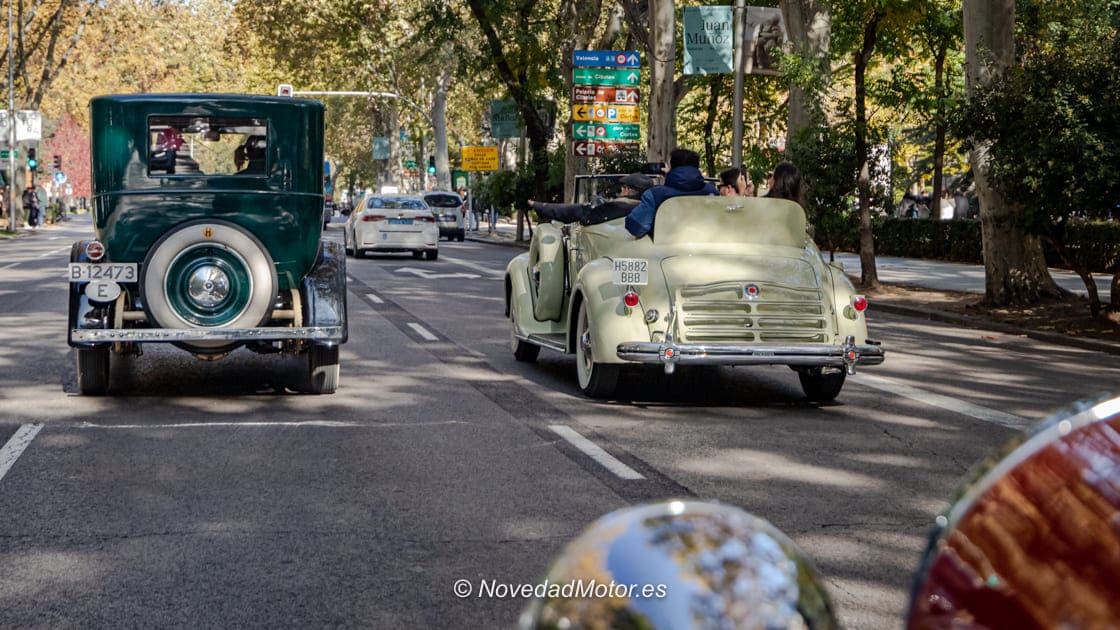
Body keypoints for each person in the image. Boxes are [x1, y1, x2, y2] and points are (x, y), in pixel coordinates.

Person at [625, 148, 718, 238]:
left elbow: (636, 228)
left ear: (671, 167)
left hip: (667, 250)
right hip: (710, 247)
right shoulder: (711, 191)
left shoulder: (655, 194)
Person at [529, 173, 654, 226]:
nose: (621, 192)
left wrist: (539, 206)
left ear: (627, 190)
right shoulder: (654, 210)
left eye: (622, 188)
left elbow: (574, 212)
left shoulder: (615, 208)